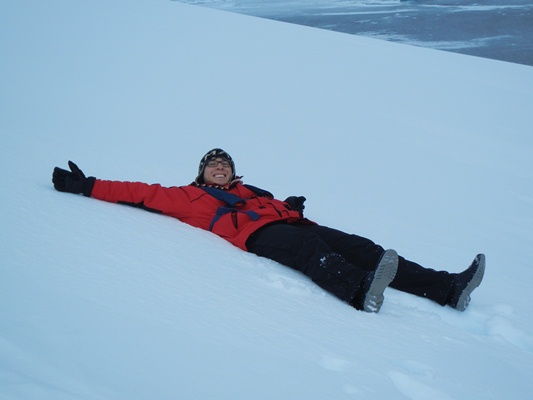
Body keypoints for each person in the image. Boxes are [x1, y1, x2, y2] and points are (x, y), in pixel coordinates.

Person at [52, 148, 485, 313]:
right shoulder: (187, 196)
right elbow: (139, 193)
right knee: (308, 247)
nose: (219, 167)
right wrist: (87, 185)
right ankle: (359, 292)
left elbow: (272, 207)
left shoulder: (253, 190)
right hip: (256, 237)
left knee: (364, 247)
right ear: (201, 172)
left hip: (290, 222)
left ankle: (447, 288)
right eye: (212, 164)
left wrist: (288, 206)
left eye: (225, 164)